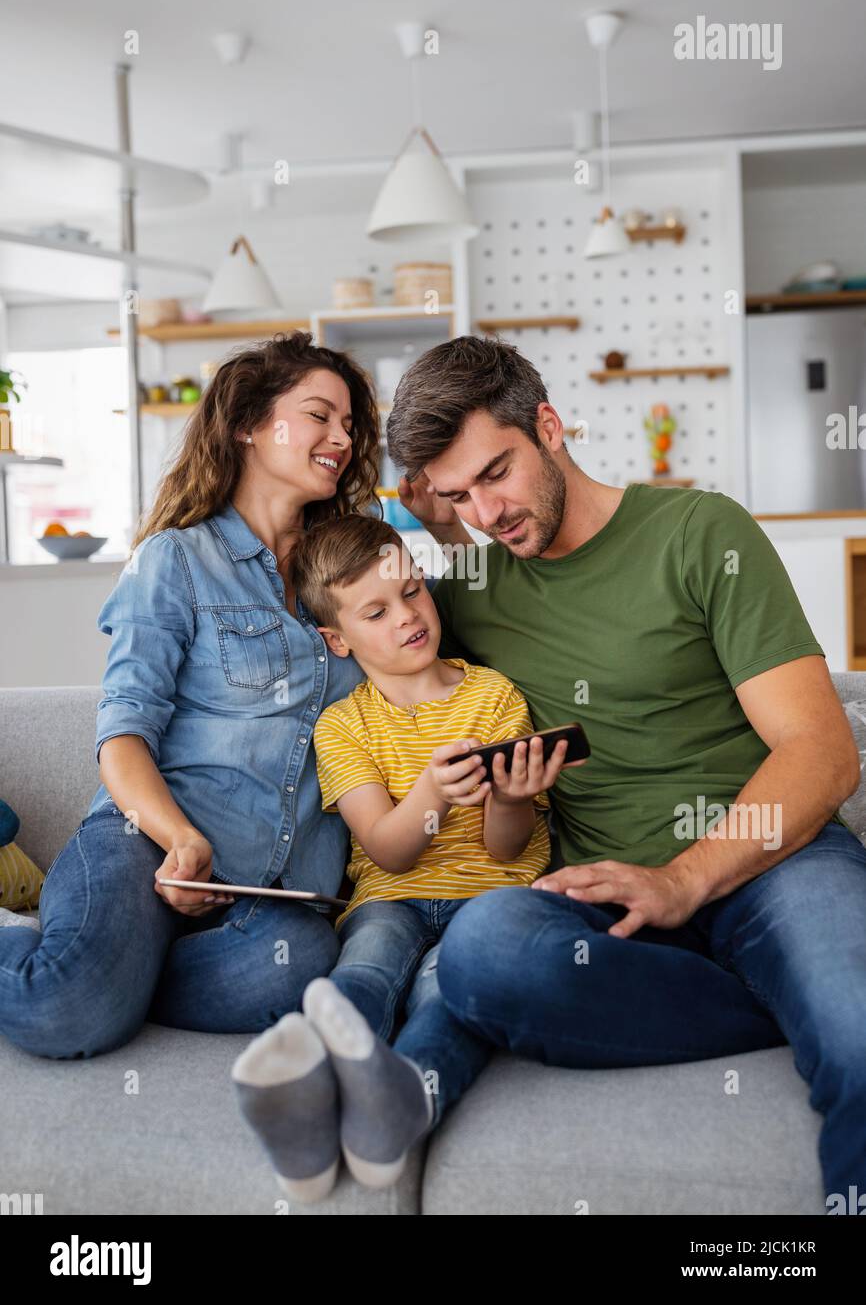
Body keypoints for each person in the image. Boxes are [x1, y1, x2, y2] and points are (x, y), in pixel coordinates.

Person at [385, 333, 865, 1205]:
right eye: (457, 496)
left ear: (550, 426)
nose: (488, 514)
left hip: (775, 861)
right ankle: (777, 1003)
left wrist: (686, 877)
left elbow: (824, 756)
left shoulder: (699, 530)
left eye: (497, 473)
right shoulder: (470, 593)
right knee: (484, 947)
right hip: (610, 899)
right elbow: (355, 629)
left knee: (862, 1032)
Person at [0, 332, 381, 1058]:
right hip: (145, 848)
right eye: (320, 415)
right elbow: (122, 735)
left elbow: (420, 645)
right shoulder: (176, 559)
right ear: (247, 424)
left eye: (350, 425)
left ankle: (116, 976)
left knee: (299, 966)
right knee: (65, 1011)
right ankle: (88, 976)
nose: (343, 436)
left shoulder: (354, 569)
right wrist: (180, 841)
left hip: (274, 901)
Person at [231, 512, 575, 1203]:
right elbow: (387, 850)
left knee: (445, 997)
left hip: (492, 901)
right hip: (390, 898)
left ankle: (392, 1105)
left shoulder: (493, 696)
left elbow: (507, 848)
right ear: (337, 638)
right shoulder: (343, 726)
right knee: (367, 968)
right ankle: (311, 1077)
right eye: (377, 611)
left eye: (412, 591)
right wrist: (433, 793)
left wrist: (509, 796)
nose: (408, 617)